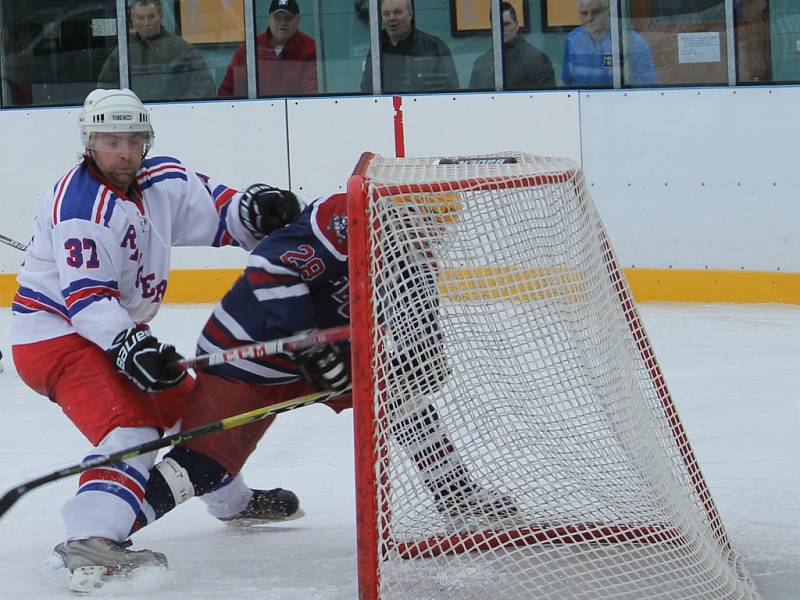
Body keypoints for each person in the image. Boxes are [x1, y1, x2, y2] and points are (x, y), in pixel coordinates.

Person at [10, 87, 300, 592]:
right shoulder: (80, 205)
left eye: (133, 139)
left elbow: (221, 211)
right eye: (109, 139)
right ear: (88, 141)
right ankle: (92, 536)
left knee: (200, 414)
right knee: (134, 428)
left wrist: (256, 211)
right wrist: (128, 345)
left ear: (147, 140)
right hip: (56, 337)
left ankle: (232, 503)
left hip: (115, 331)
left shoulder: (161, 177)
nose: (123, 150)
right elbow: (87, 301)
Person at [118, 191, 518, 551]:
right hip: (247, 357)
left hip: (325, 357)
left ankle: (454, 492)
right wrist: (307, 339)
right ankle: (108, 533)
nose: (430, 235)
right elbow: (270, 267)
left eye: (439, 226)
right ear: (399, 211)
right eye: (423, 223)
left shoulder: (413, 247)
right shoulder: (344, 218)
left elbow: (416, 310)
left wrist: (423, 354)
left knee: (400, 394)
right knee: (204, 465)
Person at [98, 0, 216, 101]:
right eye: (140, 18)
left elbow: (204, 88)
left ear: (161, 16)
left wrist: (179, 107)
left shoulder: (182, 50)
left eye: (151, 17)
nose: (146, 23)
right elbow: (104, 88)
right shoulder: (123, 51)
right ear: (132, 20)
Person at [218, 0, 318, 97]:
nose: (282, 22)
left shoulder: (310, 48)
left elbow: (312, 93)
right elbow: (227, 92)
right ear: (269, 19)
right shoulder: (249, 48)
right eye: (277, 18)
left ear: (298, 19)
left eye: (288, 18)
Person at [360, 0, 459, 93]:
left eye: (397, 12)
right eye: (386, 14)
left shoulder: (434, 47)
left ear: (410, 14)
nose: (392, 18)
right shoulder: (377, 49)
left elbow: (450, 92)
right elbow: (367, 89)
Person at [561, 0, 656, 87]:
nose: (589, 18)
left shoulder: (633, 41)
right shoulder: (572, 39)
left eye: (595, 12)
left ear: (607, 11)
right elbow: (567, 80)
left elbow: (646, 85)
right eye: (584, 13)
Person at [469, 1, 555, 90]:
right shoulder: (482, 63)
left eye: (506, 24)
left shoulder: (538, 60)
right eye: (497, 25)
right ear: (491, 28)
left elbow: (547, 99)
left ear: (517, 25)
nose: (501, 30)